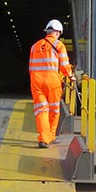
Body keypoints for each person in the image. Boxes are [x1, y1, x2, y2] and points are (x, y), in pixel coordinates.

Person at [29, 19, 76, 148]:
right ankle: (51, 136)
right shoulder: (59, 45)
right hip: (52, 81)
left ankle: (43, 139)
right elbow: (65, 66)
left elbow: (31, 67)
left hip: (36, 80)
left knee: (41, 110)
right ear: (57, 32)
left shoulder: (34, 46)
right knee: (54, 109)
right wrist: (71, 76)